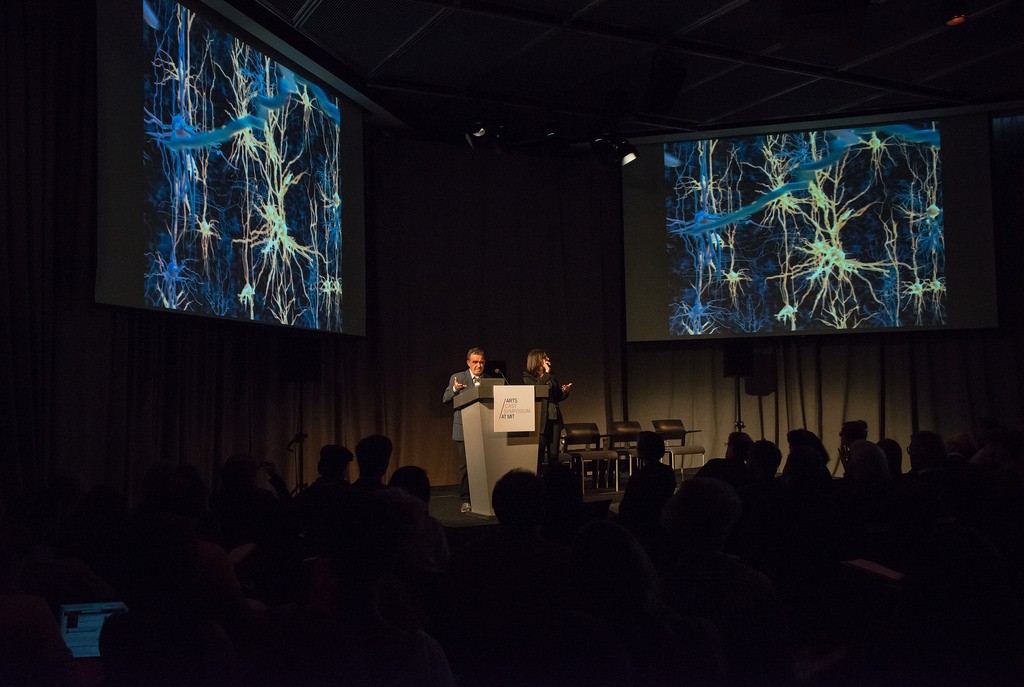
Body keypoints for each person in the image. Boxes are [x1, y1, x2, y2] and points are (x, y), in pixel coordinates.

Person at [442, 347, 489, 513]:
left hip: (485, 429)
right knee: (466, 467)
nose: (478, 365)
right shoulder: (458, 377)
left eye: (481, 362)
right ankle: (465, 499)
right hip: (464, 428)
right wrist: (455, 389)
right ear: (468, 363)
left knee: (484, 464)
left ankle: (483, 497)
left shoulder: (489, 379)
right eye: (475, 362)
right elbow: (446, 398)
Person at [522, 349, 572, 471]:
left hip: (554, 420)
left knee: (554, 455)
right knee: (538, 455)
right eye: (545, 357)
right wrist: (547, 374)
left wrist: (564, 392)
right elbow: (537, 389)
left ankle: (553, 484)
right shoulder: (528, 377)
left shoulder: (551, 375)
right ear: (537, 360)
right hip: (540, 422)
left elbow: (557, 396)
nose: (548, 359)